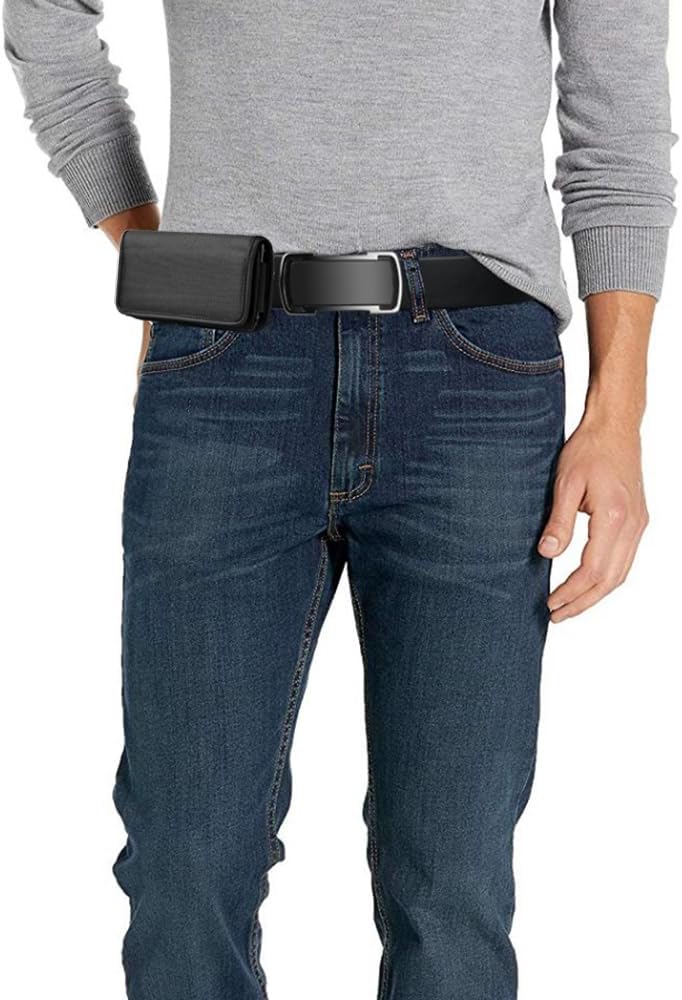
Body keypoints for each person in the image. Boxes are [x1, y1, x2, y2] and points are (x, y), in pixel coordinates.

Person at [4, 2, 676, 998]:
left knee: (452, 876)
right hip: (226, 357)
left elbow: (615, 115)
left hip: (477, 378)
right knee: (186, 859)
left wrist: (616, 416)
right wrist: (152, 247)